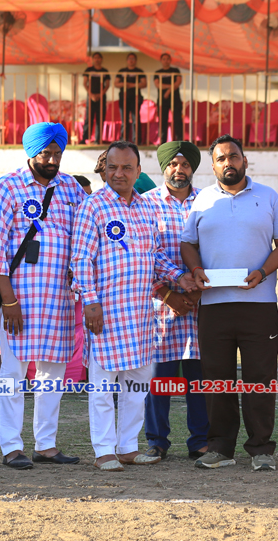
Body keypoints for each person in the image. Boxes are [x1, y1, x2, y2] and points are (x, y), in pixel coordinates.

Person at [72, 140, 194, 471]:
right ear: (105, 169)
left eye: (127, 167)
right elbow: (81, 259)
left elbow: (154, 255)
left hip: (140, 315)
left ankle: (127, 447)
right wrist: (90, 302)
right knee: (102, 386)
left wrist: (179, 277)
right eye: (113, 167)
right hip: (105, 313)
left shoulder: (145, 207)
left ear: (138, 171)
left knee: (137, 386)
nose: (119, 173)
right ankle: (104, 450)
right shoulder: (93, 206)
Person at [180, 135, 278, 471]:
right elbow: (187, 244)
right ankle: (220, 448)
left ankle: (261, 450)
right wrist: (196, 270)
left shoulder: (268, 197)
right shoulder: (201, 201)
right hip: (214, 306)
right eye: (220, 158)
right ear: (213, 166)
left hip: (259, 304)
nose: (227, 162)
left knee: (260, 378)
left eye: (233, 156)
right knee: (217, 378)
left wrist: (263, 272)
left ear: (244, 160)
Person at [0, 122, 86, 469]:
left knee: (52, 375)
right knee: (12, 374)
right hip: (19, 301)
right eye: (46, 154)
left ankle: (46, 445)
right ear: (31, 153)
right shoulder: (7, 187)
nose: (53, 160)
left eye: (57, 153)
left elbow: (83, 236)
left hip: (59, 300)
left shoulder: (71, 188)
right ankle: (12, 447)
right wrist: (9, 301)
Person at [142, 141, 208, 461]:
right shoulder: (146, 203)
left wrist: (195, 289)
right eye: (172, 164)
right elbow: (146, 252)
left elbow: (215, 247)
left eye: (184, 164)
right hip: (159, 306)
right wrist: (171, 290)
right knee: (159, 378)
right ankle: (157, 441)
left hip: (200, 304)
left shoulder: (209, 201)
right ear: (163, 167)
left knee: (200, 377)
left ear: (192, 168)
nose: (178, 169)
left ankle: (201, 441)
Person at [115, 53, 146, 144]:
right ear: (127, 60)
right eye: (129, 58)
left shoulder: (139, 71)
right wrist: (125, 84)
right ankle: (123, 141)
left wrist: (131, 85)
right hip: (124, 97)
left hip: (136, 98)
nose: (131, 60)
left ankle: (137, 140)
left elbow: (144, 83)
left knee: (135, 119)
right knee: (124, 120)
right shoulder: (122, 71)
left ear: (135, 60)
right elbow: (116, 83)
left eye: (133, 58)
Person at [153, 53, 183, 144]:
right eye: (164, 59)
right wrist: (170, 87)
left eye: (167, 59)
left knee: (177, 120)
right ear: (161, 61)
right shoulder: (158, 72)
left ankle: (180, 141)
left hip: (175, 99)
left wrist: (168, 91)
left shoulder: (175, 70)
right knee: (162, 121)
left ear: (170, 60)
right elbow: (158, 85)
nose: (166, 61)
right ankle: (162, 142)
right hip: (162, 100)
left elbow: (178, 82)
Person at [82, 52, 112, 144]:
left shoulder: (105, 71)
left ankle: (97, 139)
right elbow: (85, 83)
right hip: (90, 97)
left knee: (100, 118)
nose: (97, 59)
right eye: (95, 58)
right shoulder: (89, 70)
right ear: (93, 59)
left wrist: (100, 95)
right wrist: (91, 95)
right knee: (89, 118)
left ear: (101, 59)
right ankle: (85, 139)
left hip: (101, 97)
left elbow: (107, 85)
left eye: (99, 58)